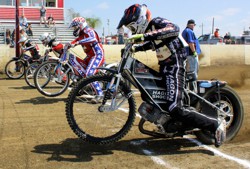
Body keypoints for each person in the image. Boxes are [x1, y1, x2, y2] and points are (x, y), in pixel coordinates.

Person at [117, 4, 226, 147]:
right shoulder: (152, 32)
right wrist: (137, 47)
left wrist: (143, 36)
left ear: (140, 20)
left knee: (175, 107)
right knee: (153, 95)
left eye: (132, 27)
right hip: (165, 66)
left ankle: (216, 125)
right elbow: (153, 43)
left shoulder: (157, 22)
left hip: (176, 65)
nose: (132, 30)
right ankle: (166, 121)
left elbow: (174, 29)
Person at [68, 17, 105, 103]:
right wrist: (69, 44)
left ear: (80, 25)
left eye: (75, 27)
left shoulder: (89, 30)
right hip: (89, 56)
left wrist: (77, 43)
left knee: (89, 74)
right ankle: (83, 88)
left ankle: (100, 94)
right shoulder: (81, 35)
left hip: (97, 55)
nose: (74, 29)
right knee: (81, 70)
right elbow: (75, 41)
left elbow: (93, 39)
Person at [182, 19, 201, 85]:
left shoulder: (185, 31)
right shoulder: (189, 31)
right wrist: (194, 52)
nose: (194, 27)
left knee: (190, 72)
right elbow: (190, 42)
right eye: (194, 25)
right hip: (191, 54)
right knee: (192, 73)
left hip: (188, 54)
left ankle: (191, 87)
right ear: (191, 24)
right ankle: (192, 89)